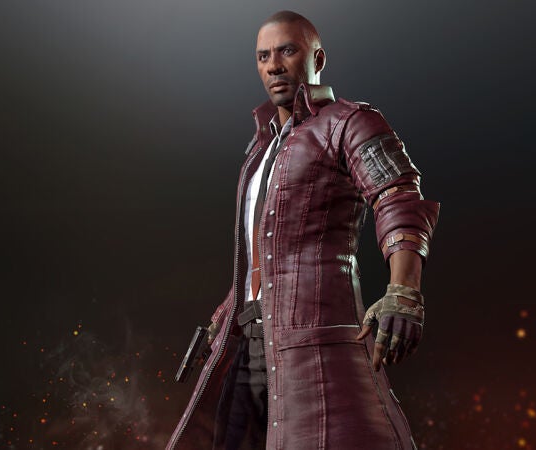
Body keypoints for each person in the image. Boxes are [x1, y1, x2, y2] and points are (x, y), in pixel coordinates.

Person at [167, 10, 440, 450]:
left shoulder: (349, 122)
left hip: (313, 347)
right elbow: (261, 254)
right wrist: (224, 316)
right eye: (263, 56)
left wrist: (403, 292)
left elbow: (398, 197)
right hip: (249, 344)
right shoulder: (259, 151)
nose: (273, 65)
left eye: (287, 51)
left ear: (318, 59)